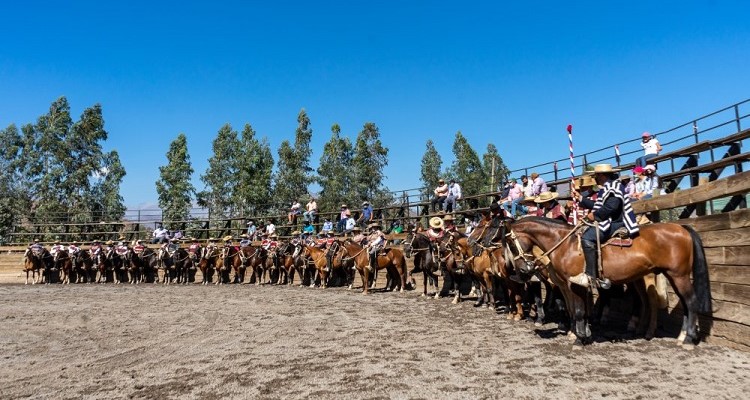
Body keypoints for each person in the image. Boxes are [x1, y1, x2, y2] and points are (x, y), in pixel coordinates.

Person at [569, 164, 639, 288]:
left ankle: (590, 276)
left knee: (587, 237)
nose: (595, 178)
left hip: (617, 222)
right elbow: (598, 204)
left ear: (601, 175)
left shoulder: (614, 186)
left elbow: (611, 207)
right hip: (611, 220)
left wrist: (594, 216)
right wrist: (581, 198)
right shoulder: (608, 187)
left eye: (596, 175)